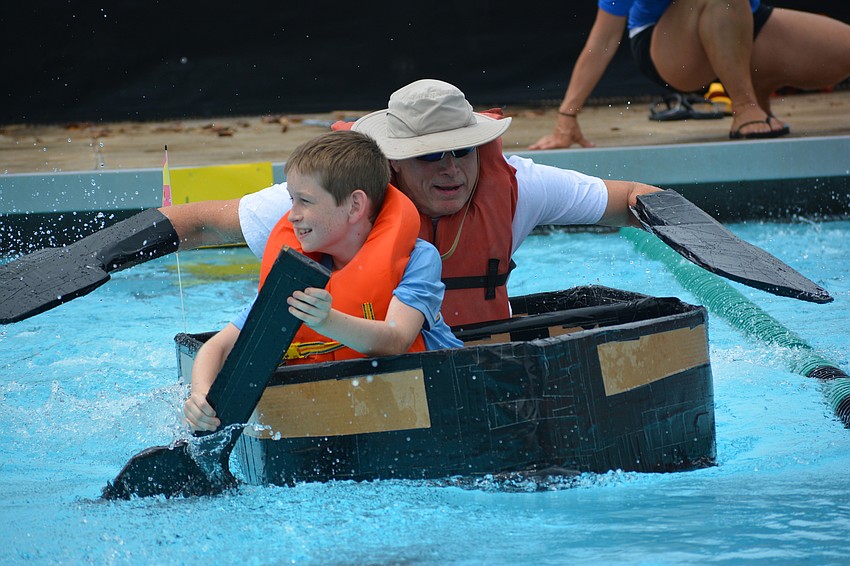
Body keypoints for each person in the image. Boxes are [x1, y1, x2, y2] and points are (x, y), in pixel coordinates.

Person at [183, 130, 462, 432]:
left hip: (441, 401)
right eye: (292, 200)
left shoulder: (418, 258)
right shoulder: (296, 271)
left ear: (355, 206)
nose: (292, 216)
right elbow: (217, 348)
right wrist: (200, 395)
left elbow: (395, 340)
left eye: (305, 201)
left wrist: (325, 320)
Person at [530, 0, 850, 149]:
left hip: (741, 18)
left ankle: (756, 87)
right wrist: (566, 119)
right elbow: (603, 39)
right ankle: (745, 107)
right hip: (665, 43)